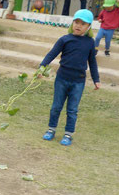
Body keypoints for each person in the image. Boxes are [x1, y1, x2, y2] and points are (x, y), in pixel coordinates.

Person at [39, 9, 100, 146]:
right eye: (76, 22)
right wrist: (42, 67)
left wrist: (96, 79)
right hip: (62, 79)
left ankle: (68, 134)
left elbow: (92, 62)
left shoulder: (90, 43)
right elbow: (51, 54)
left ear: (89, 26)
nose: (78, 25)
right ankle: (51, 129)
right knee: (56, 106)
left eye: (83, 24)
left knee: (72, 109)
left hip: (78, 81)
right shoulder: (64, 40)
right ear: (72, 23)